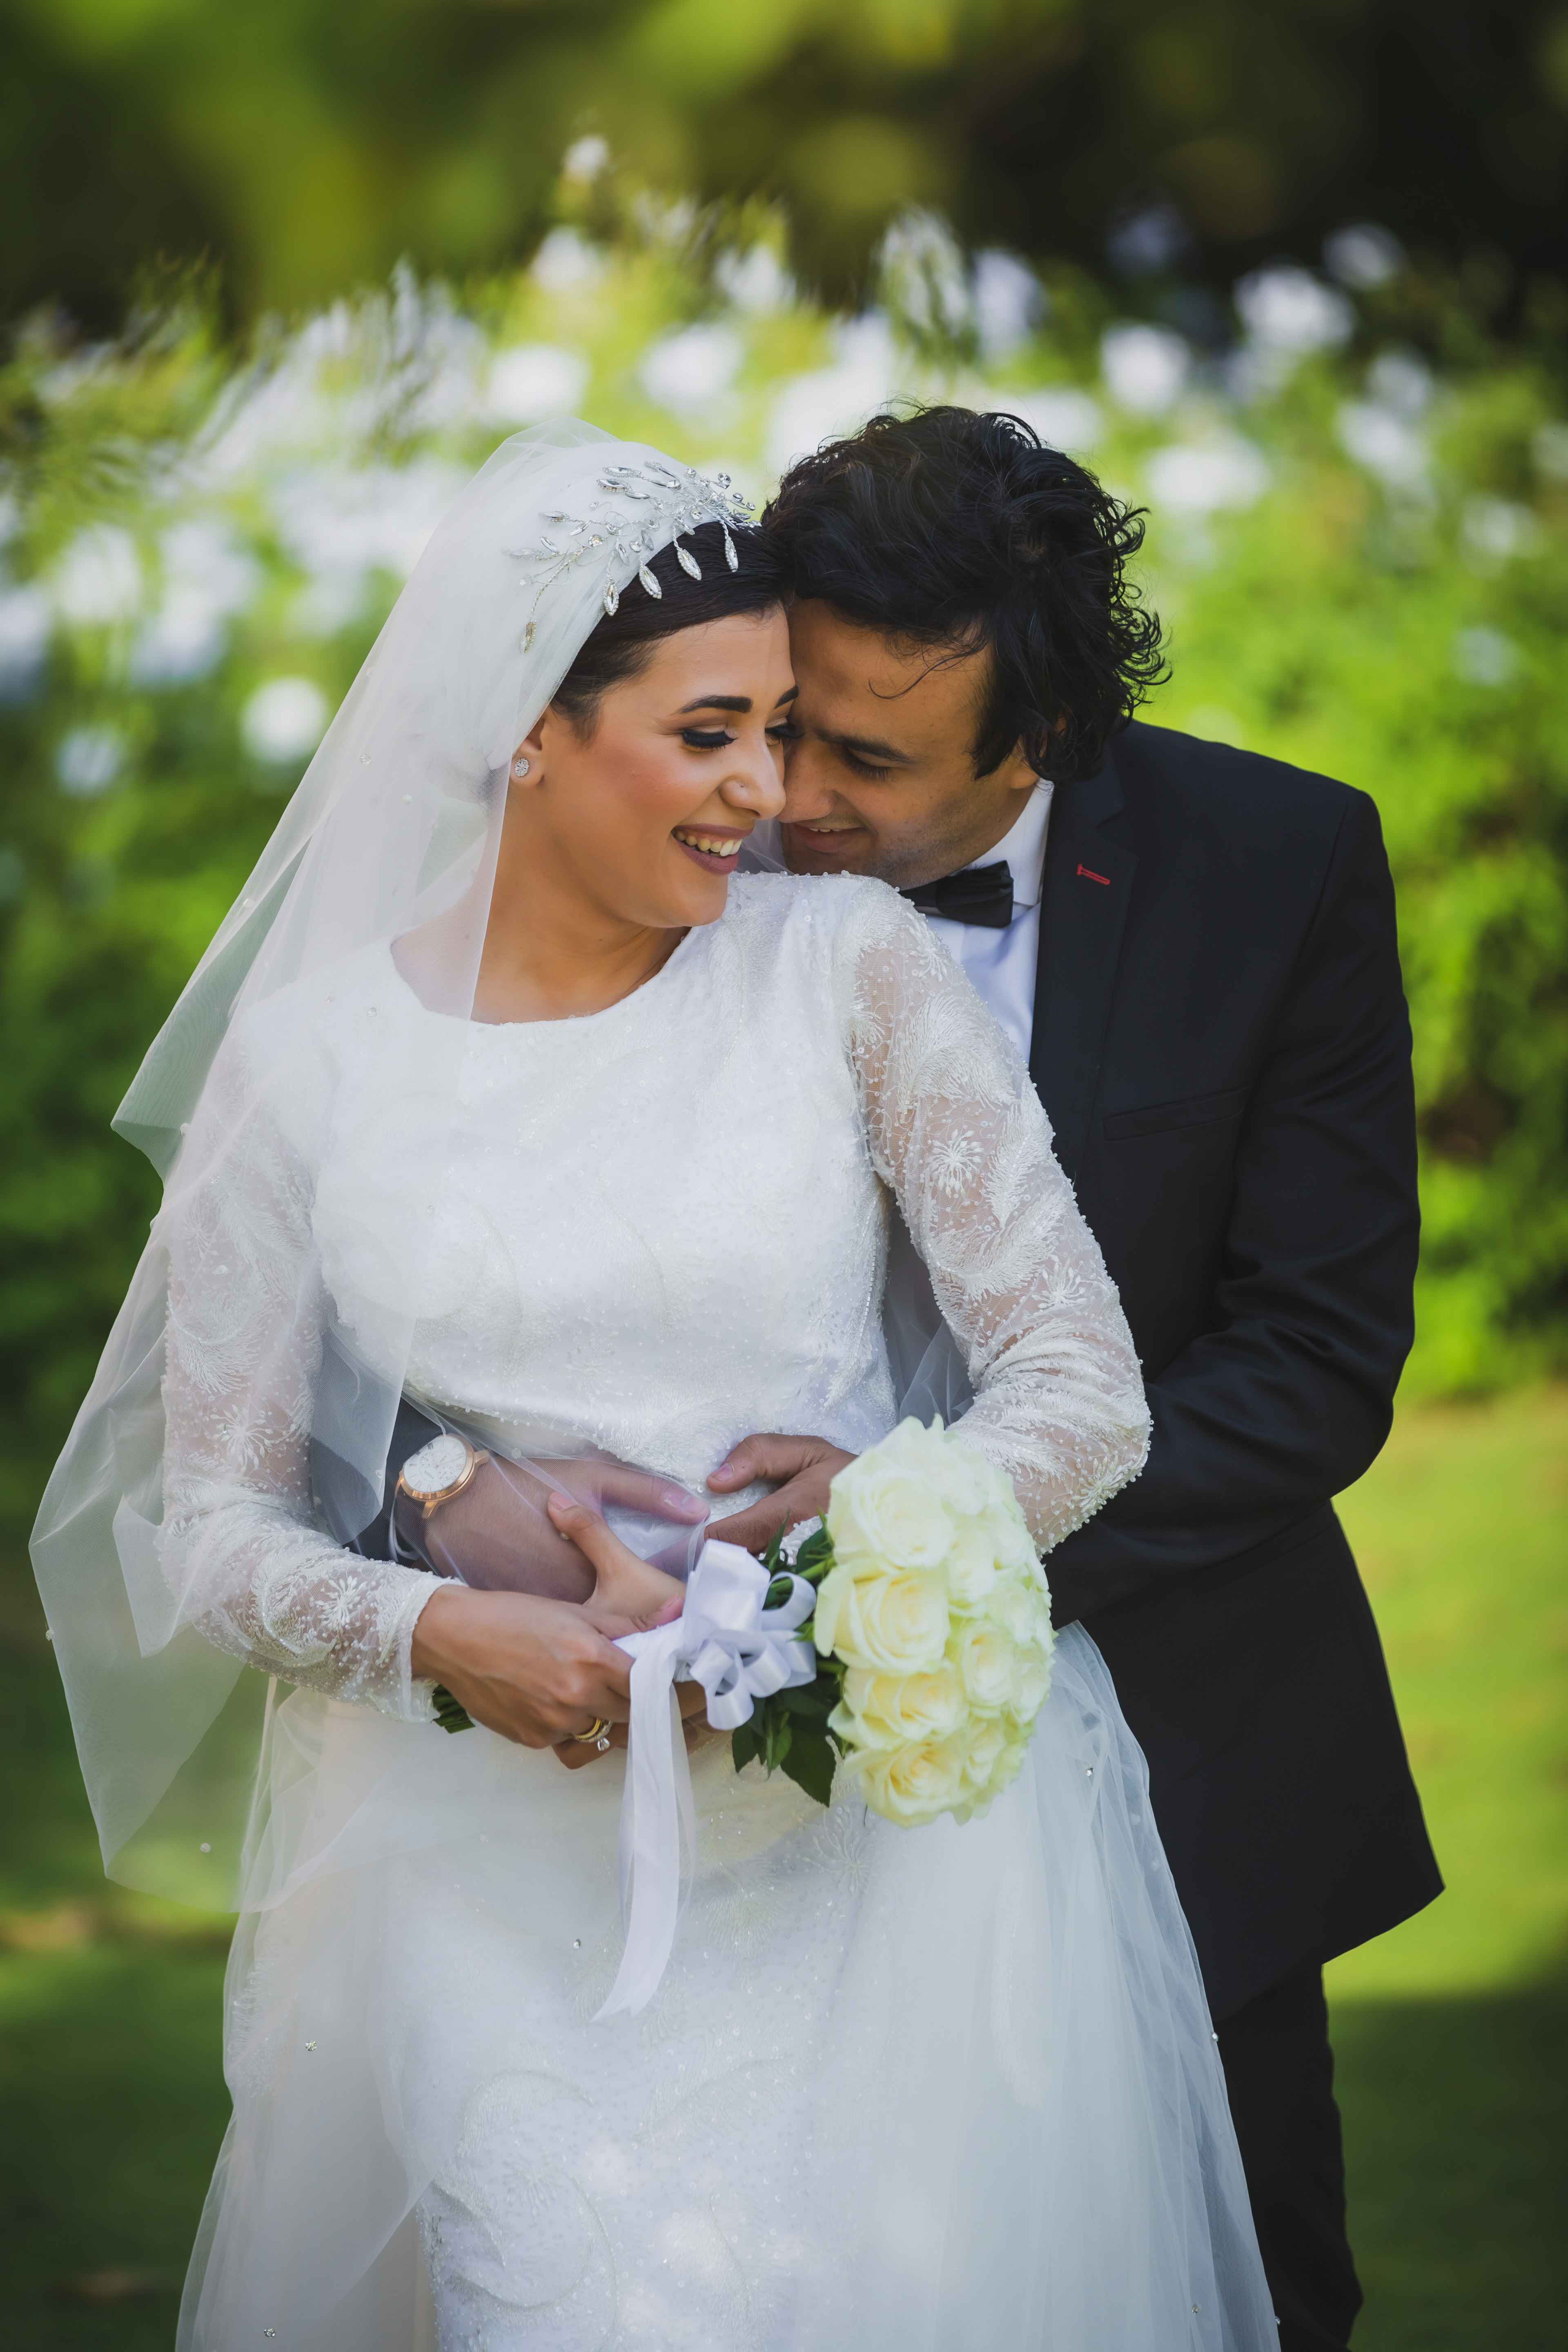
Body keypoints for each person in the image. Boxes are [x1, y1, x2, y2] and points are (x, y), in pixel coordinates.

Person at [31, 420, 1277, 2352]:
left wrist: (845, 1570)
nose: (768, 793)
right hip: (478, 1869)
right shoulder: (307, 1063)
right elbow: (212, 1528)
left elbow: (1080, 1384)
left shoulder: (845, 967)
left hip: (872, 1864)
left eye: (779, 731)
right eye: (710, 735)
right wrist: (445, 1632)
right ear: (531, 727)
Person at [721, 404, 1442, 2352]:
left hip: (1174, 1732)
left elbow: (1312, 1360)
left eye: (867, 758)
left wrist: (917, 1542)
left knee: (1235, 2291)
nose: (790, 795)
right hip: (716, 1740)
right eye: (782, 720)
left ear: (1039, 734)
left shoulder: (1278, 864)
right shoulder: (684, 838)